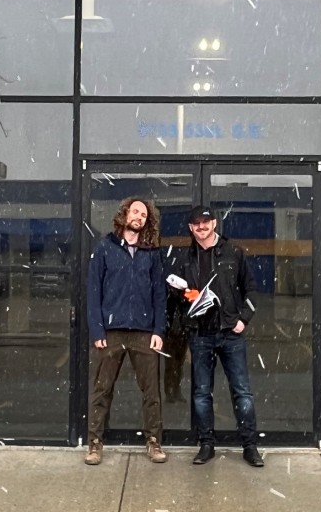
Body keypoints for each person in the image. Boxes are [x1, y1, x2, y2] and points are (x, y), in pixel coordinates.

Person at [170, 205, 264, 467]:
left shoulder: (233, 252)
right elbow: (176, 298)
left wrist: (243, 319)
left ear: (214, 224)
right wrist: (184, 296)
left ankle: (250, 446)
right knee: (201, 394)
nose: (201, 227)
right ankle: (206, 444)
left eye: (206, 222)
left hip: (230, 335)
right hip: (200, 335)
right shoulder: (185, 258)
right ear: (190, 228)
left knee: (242, 393)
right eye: (196, 224)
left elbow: (252, 290)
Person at [84, 197, 168, 466]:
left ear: (147, 221)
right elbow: (93, 292)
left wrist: (159, 330)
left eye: (144, 214)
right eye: (135, 211)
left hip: (144, 333)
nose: (139, 217)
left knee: (151, 392)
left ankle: (153, 441)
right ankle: (95, 443)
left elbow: (159, 294)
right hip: (111, 332)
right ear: (124, 215)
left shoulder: (151, 253)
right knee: (102, 389)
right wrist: (97, 328)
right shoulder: (105, 249)